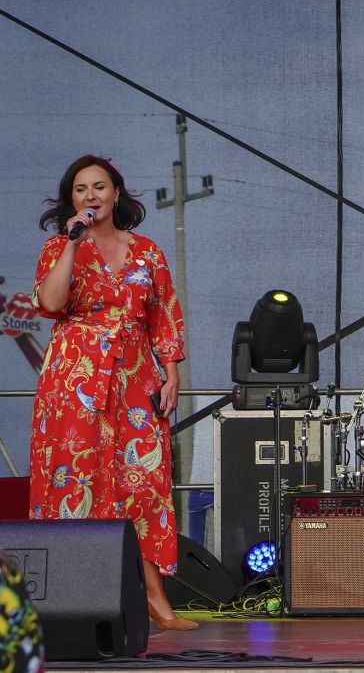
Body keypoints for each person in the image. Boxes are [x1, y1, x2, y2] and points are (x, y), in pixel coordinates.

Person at [27, 155, 197, 631]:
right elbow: (51, 303)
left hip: (135, 376)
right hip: (74, 379)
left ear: (116, 193)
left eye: (99, 187)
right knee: (74, 478)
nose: (91, 196)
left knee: (142, 482)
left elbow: (164, 314)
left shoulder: (147, 251)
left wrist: (171, 373)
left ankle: (155, 598)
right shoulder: (59, 246)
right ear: (72, 200)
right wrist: (71, 243)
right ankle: (69, 599)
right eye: (81, 189)